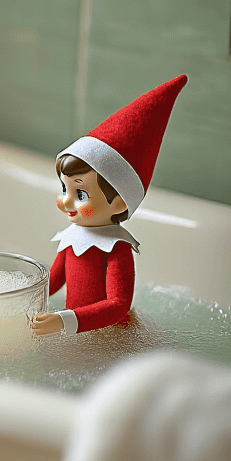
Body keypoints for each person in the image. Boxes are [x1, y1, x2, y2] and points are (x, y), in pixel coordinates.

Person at [30, 75, 188, 337]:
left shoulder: (116, 249)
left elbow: (118, 306)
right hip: (80, 334)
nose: (66, 201)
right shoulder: (72, 239)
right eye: (64, 189)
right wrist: (18, 294)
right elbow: (53, 280)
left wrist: (63, 321)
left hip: (111, 338)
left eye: (80, 193)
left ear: (118, 203)